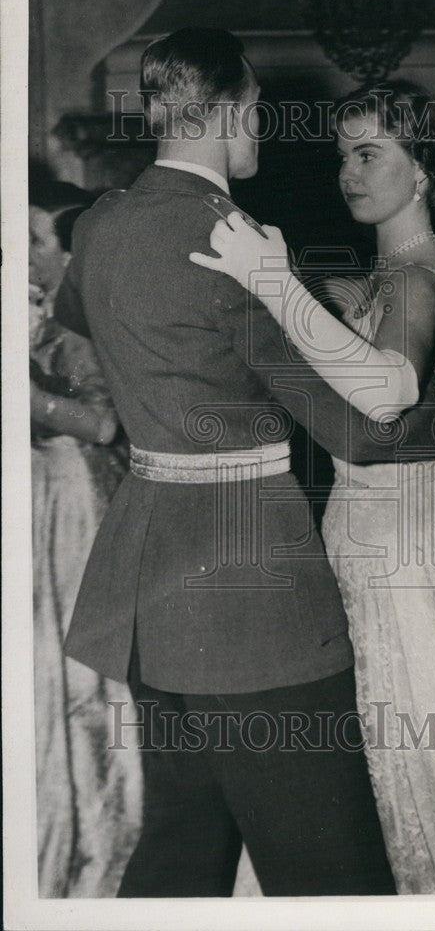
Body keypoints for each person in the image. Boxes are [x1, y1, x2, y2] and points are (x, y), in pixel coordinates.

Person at [53, 29, 435, 898]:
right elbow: (360, 430)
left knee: (183, 842)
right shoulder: (235, 244)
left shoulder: (103, 223)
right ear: (226, 114)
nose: (259, 131)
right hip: (251, 606)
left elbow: (74, 330)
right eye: (255, 113)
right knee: (331, 874)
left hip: (143, 576)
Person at [191, 81, 435, 893]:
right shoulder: (397, 275)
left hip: (394, 553)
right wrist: (309, 298)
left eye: (370, 153)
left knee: (402, 758)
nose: (349, 171)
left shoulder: (411, 283)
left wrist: (275, 283)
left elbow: (388, 392)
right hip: (387, 534)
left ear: (423, 172)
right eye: (342, 154)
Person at [29, 187, 142, 897]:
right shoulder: (42, 319)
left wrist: (26, 396)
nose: (33, 253)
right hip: (49, 508)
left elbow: (103, 427)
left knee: (87, 688)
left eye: (40, 239)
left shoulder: (78, 326)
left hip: (80, 508)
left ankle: (100, 853)